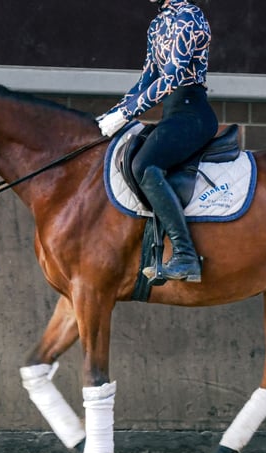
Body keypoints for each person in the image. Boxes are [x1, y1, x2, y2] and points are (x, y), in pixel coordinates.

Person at [97, 0, 218, 283]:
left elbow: (173, 77)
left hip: (193, 113)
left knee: (145, 164)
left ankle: (185, 256)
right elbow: (147, 77)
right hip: (172, 113)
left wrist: (129, 112)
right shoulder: (159, 23)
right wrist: (116, 111)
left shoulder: (189, 16)